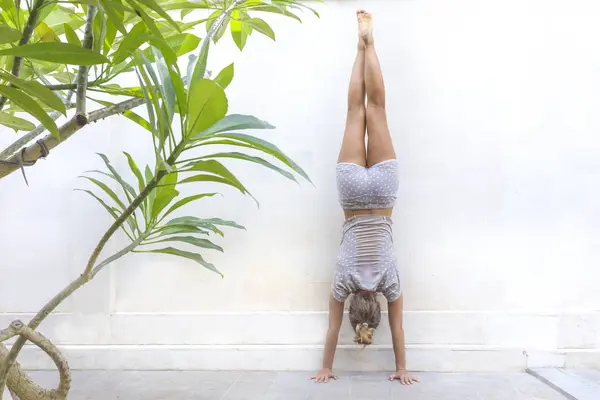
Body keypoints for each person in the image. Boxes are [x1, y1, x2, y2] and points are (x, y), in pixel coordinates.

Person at [311, 10, 419, 385]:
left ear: (375, 308)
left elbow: (399, 331)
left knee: (376, 108)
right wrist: (326, 366)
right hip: (354, 195)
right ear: (355, 310)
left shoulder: (390, 282)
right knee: (356, 110)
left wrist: (403, 367)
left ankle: (368, 45)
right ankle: (362, 45)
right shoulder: (342, 282)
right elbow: (331, 329)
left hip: (383, 191)